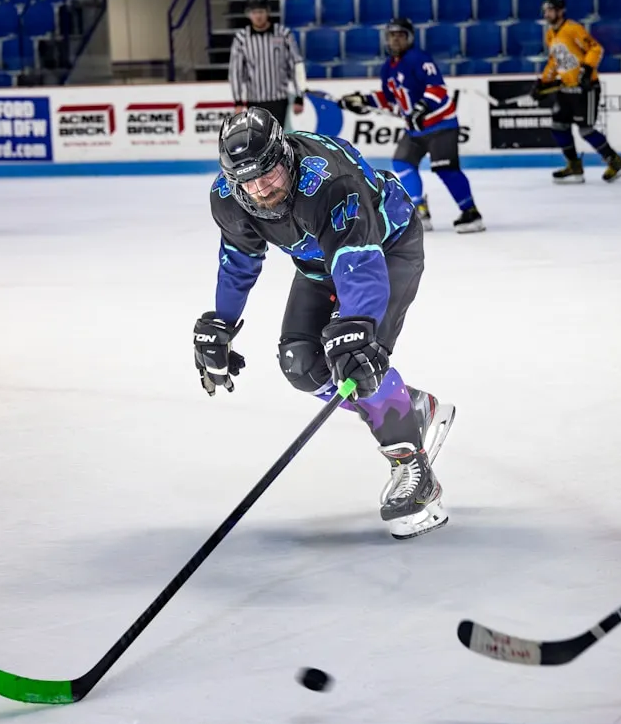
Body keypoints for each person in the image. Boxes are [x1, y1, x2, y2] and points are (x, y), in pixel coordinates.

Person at [194, 107, 456, 540]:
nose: (262, 188)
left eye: (269, 173)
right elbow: (239, 261)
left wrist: (357, 327)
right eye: (248, 180)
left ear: (285, 155)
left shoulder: (328, 183)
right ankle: (407, 407)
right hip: (318, 264)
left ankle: (414, 470)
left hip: (387, 248)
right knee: (301, 364)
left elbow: (359, 261)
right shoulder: (228, 196)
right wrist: (221, 322)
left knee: (356, 360)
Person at [337, 18, 484, 234]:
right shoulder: (388, 67)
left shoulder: (419, 59)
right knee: (401, 162)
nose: (395, 39)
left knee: (445, 169)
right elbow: (389, 98)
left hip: (440, 124)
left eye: (400, 35)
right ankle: (420, 209)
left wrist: (420, 109)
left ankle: (471, 212)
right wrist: (362, 101)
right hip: (415, 129)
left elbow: (437, 88)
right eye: (391, 35)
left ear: (409, 38)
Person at [536, 0, 621, 185]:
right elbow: (555, 61)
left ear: (560, 11)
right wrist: (543, 81)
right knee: (558, 126)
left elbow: (595, 48)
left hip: (585, 89)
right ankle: (574, 166)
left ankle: (616, 161)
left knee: (585, 129)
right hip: (566, 88)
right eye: (545, 10)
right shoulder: (550, 35)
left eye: (551, 10)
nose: (547, 14)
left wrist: (587, 70)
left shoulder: (573, 29)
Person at [228, 0, 306, 127]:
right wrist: (238, 101)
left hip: (279, 98)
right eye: (254, 12)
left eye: (261, 11)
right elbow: (236, 71)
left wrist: (299, 96)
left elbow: (296, 65)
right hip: (254, 100)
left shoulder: (283, 34)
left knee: (277, 138)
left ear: (268, 12)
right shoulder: (241, 38)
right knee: (258, 140)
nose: (258, 16)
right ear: (248, 14)